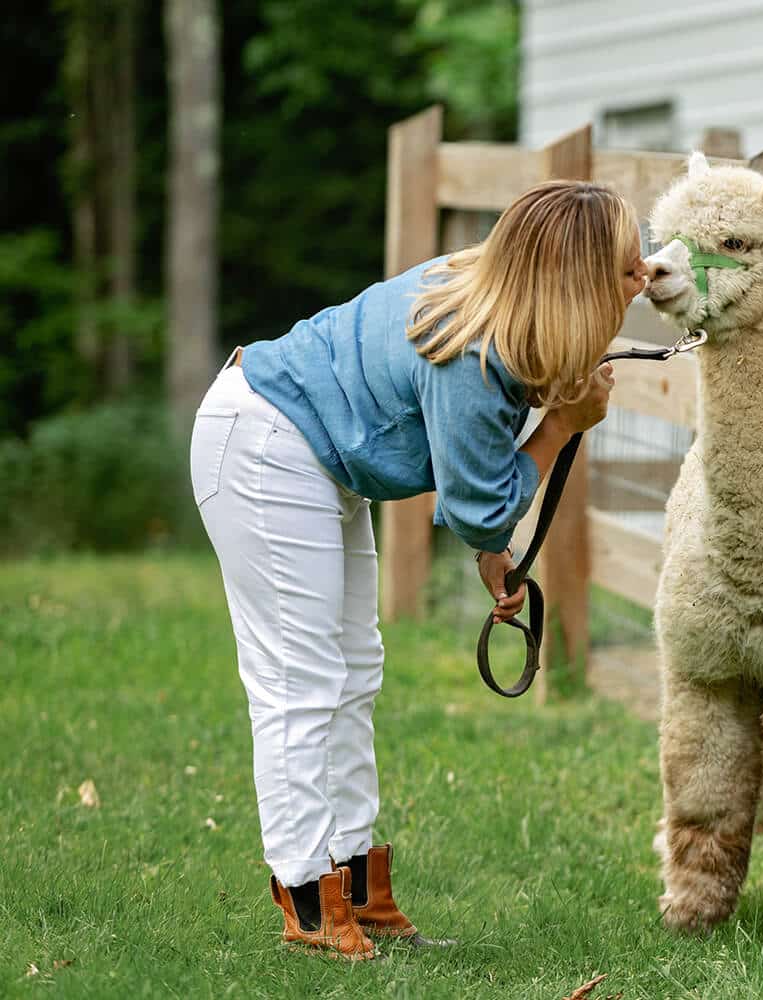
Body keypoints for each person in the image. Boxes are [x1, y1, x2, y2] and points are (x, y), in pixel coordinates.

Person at [189, 180, 645, 959]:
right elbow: (478, 504)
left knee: (354, 669)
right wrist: (565, 424)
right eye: (628, 273)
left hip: (317, 456)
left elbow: (473, 482)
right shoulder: (472, 352)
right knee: (300, 680)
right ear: (575, 283)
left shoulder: (499, 305)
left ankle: (358, 892)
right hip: (265, 446)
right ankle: (306, 899)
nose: (644, 281)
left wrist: (491, 546)